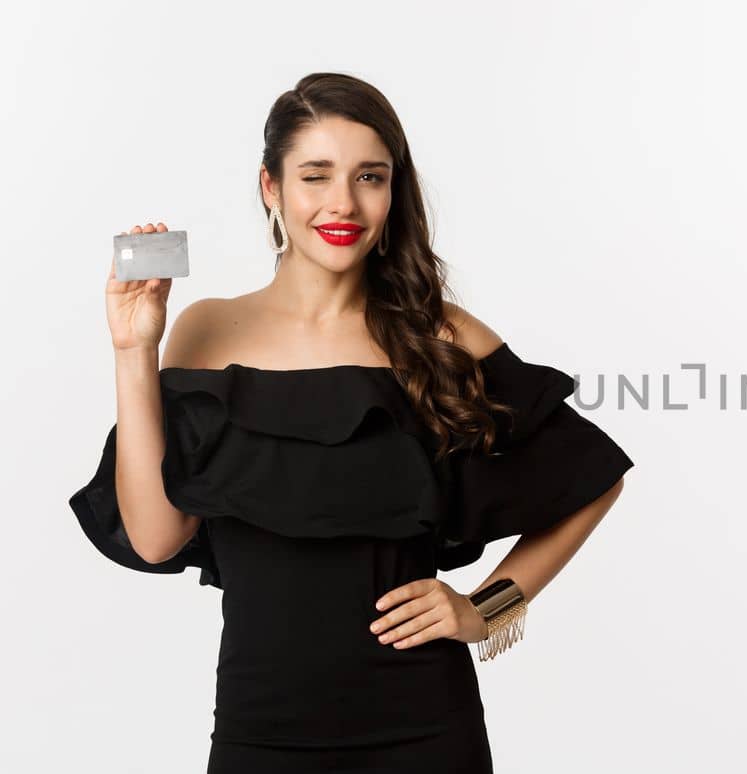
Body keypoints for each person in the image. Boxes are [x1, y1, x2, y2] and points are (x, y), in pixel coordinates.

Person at [67, 72, 635, 773]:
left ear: (394, 191)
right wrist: (133, 352)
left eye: (370, 176)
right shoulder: (205, 329)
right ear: (271, 187)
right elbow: (156, 539)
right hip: (259, 734)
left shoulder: (442, 337)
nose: (343, 203)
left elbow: (592, 476)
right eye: (316, 175)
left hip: (426, 733)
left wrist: (486, 606)